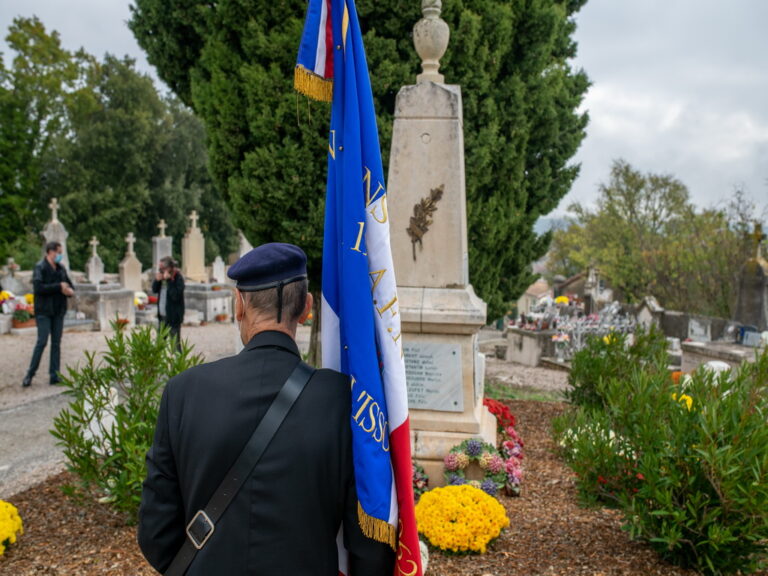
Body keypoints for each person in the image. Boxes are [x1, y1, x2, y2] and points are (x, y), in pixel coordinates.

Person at [138, 243, 394, 575]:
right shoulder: (344, 400)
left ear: (238, 305)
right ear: (306, 307)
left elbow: (155, 531)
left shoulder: (183, 392)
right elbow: (370, 541)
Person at [22, 241, 74, 387]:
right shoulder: (40, 267)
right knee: (42, 341)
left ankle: (54, 375)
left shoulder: (61, 268)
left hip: (58, 310)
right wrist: (58, 287)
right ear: (50, 252)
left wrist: (69, 291)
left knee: (56, 343)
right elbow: (38, 288)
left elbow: (70, 286)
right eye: (58, 252)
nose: (60, 255)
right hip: (44, 311)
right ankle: (30, 374)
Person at [152, 256, 185, 346]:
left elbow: (175, 296)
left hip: (173, 318)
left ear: (169, 268)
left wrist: (169, 281)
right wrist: (156, 281)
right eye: (160, 268)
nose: (161, 271)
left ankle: (178, 360)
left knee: (175, 346)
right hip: (162, 316)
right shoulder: (161, 278)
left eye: (162, 268)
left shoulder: (178, 278)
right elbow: (154, 290)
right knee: (159, 345)